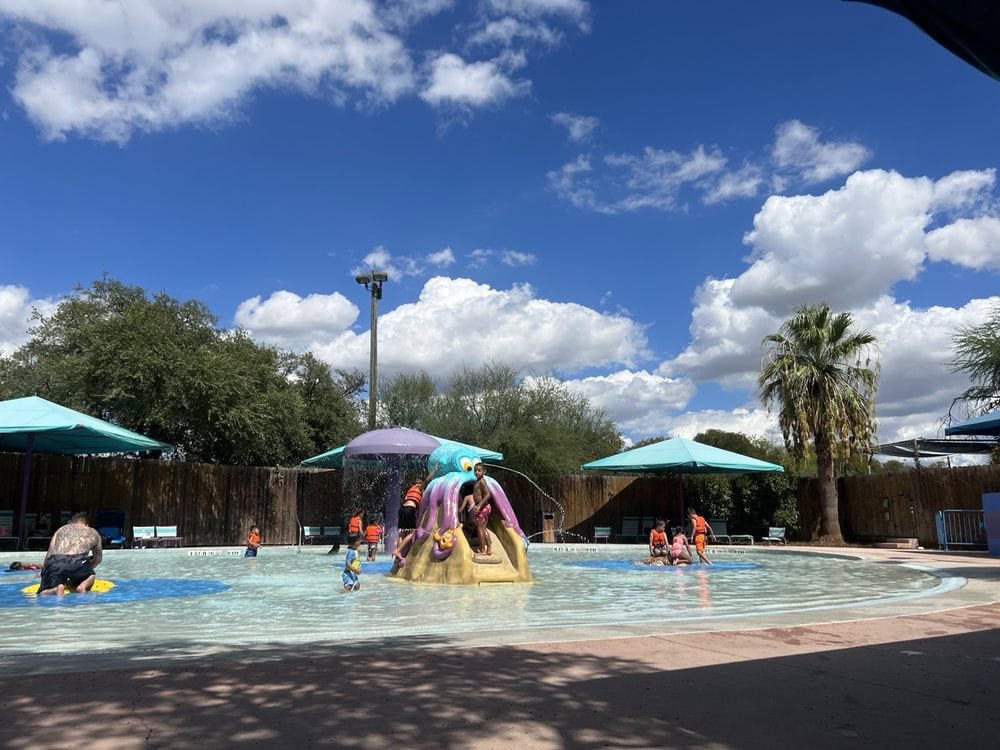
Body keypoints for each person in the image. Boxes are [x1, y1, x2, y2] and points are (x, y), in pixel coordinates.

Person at [37, 512, 103, 595]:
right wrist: (88, 570)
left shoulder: (61, 529)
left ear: (71, 522)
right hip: (79, 561)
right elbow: (98, 559)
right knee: (91, 576)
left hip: (56, 561)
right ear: (87, 524)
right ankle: (82, 586)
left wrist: (44, 572)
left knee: (42, 592)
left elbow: (50, 553)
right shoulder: (93, 532)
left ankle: (55, 590)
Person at [400, 463, 439, 532]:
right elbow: (426, 481)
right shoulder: (419, 487)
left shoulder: (410, 489)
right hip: (409, 510)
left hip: (402, 510)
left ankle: (397, 543)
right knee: (411, 533)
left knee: (403, 533)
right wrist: (434, 470)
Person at [469, 464, 493, 555]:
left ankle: (483, 550)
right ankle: (489, 549)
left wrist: (479, 505)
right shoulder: (477, 481)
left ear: (484, 472)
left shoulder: (482, 481)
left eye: (479, 470)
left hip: (483, 507)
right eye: (475, 470)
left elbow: (488, 494)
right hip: (485, 507)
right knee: (483, 529)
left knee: (479, 529)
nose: (476, 472)